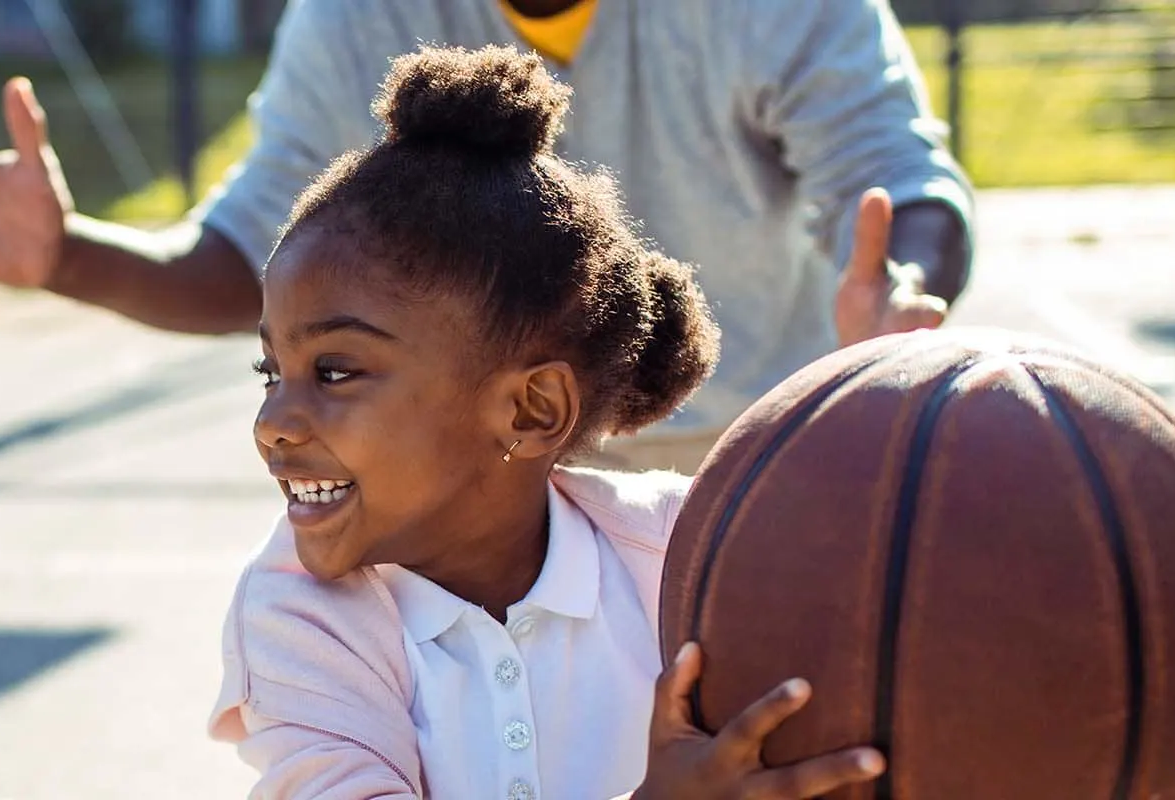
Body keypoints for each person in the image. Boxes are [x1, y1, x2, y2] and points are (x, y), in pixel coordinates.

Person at [0, 0, 973, 472]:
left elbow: (897, 174)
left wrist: (904, 293)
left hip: (743, 452)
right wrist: (66, 255)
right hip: (476, 474)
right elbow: (247, 253)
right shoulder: (355, 17)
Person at [209, 46, 884, 798]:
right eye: (273, 373)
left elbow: (891, 609)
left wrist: (880, 400)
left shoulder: (683, 554)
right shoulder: (297, 616)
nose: (273, 421)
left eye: (334, 372)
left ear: (533, 411)